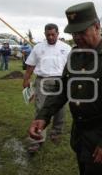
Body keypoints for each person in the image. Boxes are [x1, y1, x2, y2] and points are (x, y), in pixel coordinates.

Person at [28, 2, 102, 175]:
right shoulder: (75, 54)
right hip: (80, 134)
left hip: (101, 135)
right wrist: (43, 116)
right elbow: (62, 89)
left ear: (97, 27)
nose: (77, 37)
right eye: (74, 33)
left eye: (82, 32)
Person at [23, 23, 71, 153]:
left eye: (53, 34)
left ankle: (56, 132)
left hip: (60, 81)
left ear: (58, 34)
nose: (50, 37)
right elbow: (30, 65)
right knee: (40, 109)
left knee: (60, 109)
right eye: (48, 34)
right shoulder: (38, 47)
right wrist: (26, 79)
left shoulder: (66, 48)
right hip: (42, 81)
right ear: (44, 34)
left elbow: (72, 66)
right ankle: (37, 139)